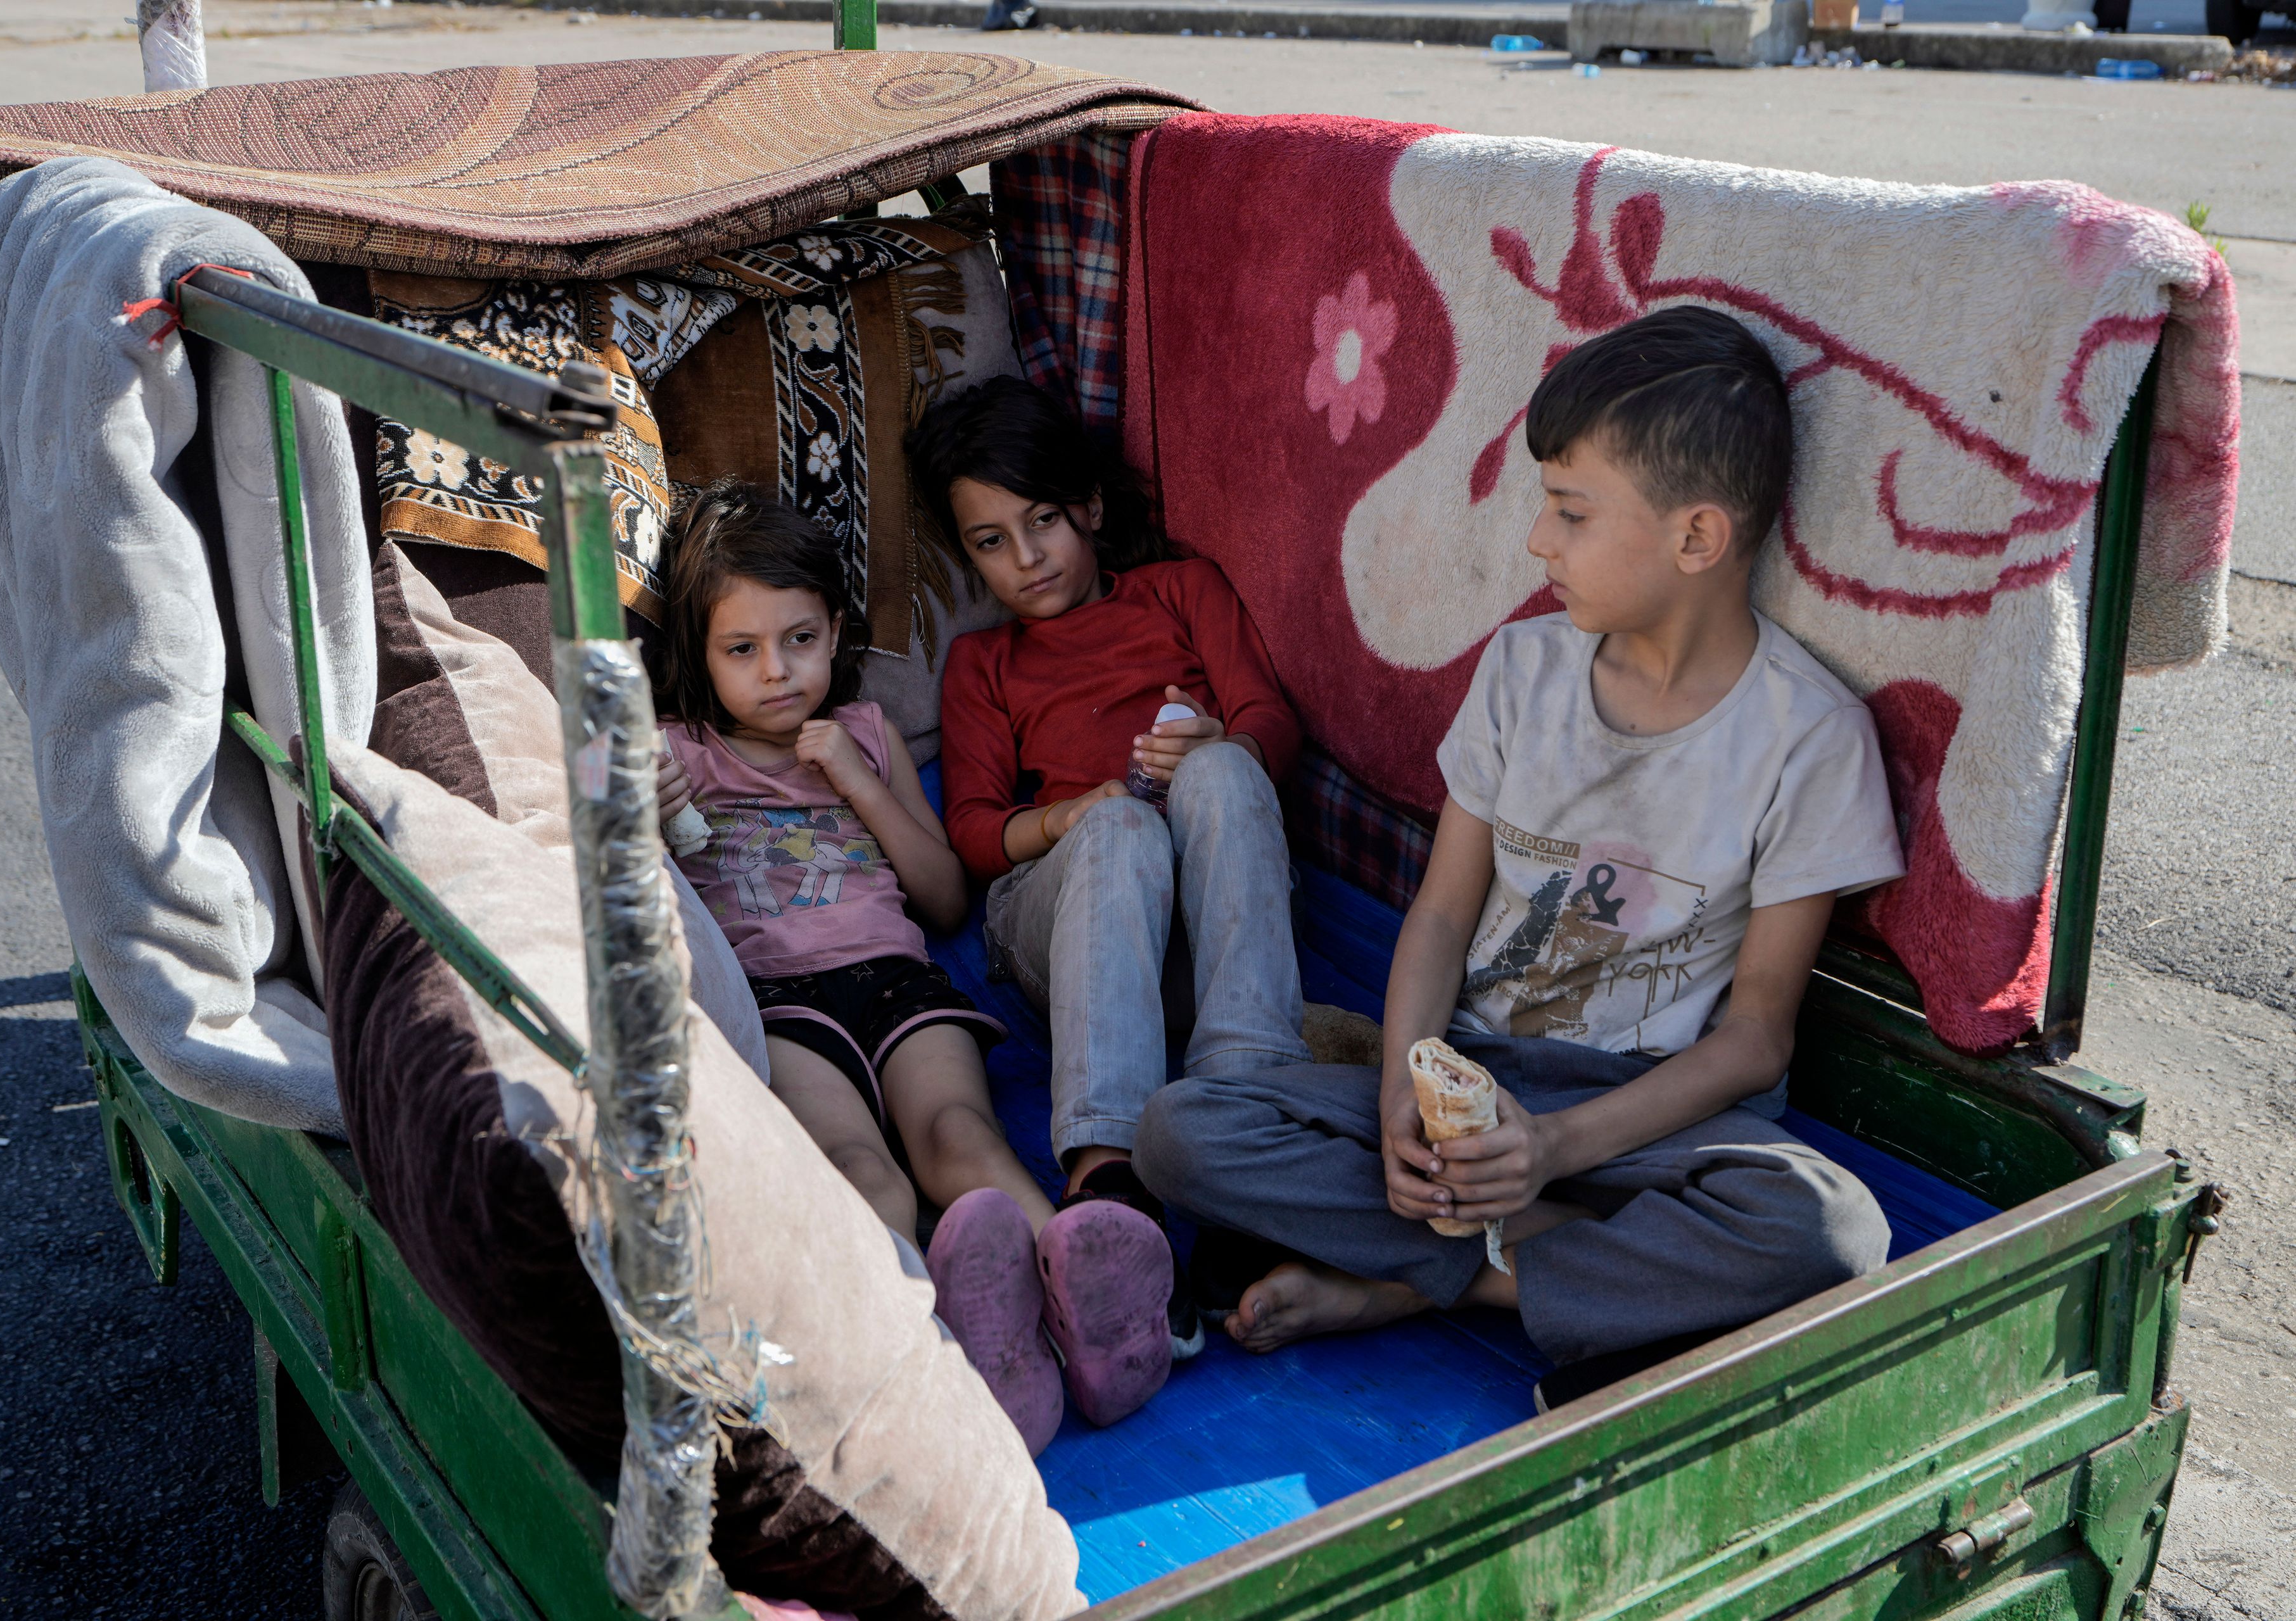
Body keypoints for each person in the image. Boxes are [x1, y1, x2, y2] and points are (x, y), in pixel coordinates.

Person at [1131, 306, 1905, 1404]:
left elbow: (1752, 1041)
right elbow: (1444, 916)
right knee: (1182, 1133)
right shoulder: (1522, 670)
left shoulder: (1808, 736)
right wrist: (1407, 1083)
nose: (1539, 541)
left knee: (1829, 1227)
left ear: (1695, 538)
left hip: (1650, 1114)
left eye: (1570, 510)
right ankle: (1558, 1266)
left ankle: (1427, 1281)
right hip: (1476, 1082)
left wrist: (1552, 1148)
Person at [656, 481, 1098, 1456]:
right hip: (778, 1007)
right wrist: (637, 796)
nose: (778, 673)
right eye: (743, 650)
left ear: (836, 630)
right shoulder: (677, 755)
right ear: (700, 656)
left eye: (800, 640)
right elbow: (618, 867)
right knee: (866, 1175)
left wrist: (857, 781)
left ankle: (1084, 1292)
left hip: (899, 981)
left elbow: (945, 902)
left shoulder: (865, 735)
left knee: (963, 1144)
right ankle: (928, 1359)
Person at [910, 377, 1312, 1427]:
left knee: (1224, 774)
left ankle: (1242, 1144)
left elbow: (1272, 719)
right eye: (991, 541)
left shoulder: (1180, 591)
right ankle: (1110, 1189)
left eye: (1042, 521)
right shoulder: (983, 664)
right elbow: (975, 835)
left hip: (1207, 933)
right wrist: (1077, 814)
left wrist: (1217, 745)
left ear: (1088, 506)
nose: (1026, 558)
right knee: (1122, 828)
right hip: (1064, 922)